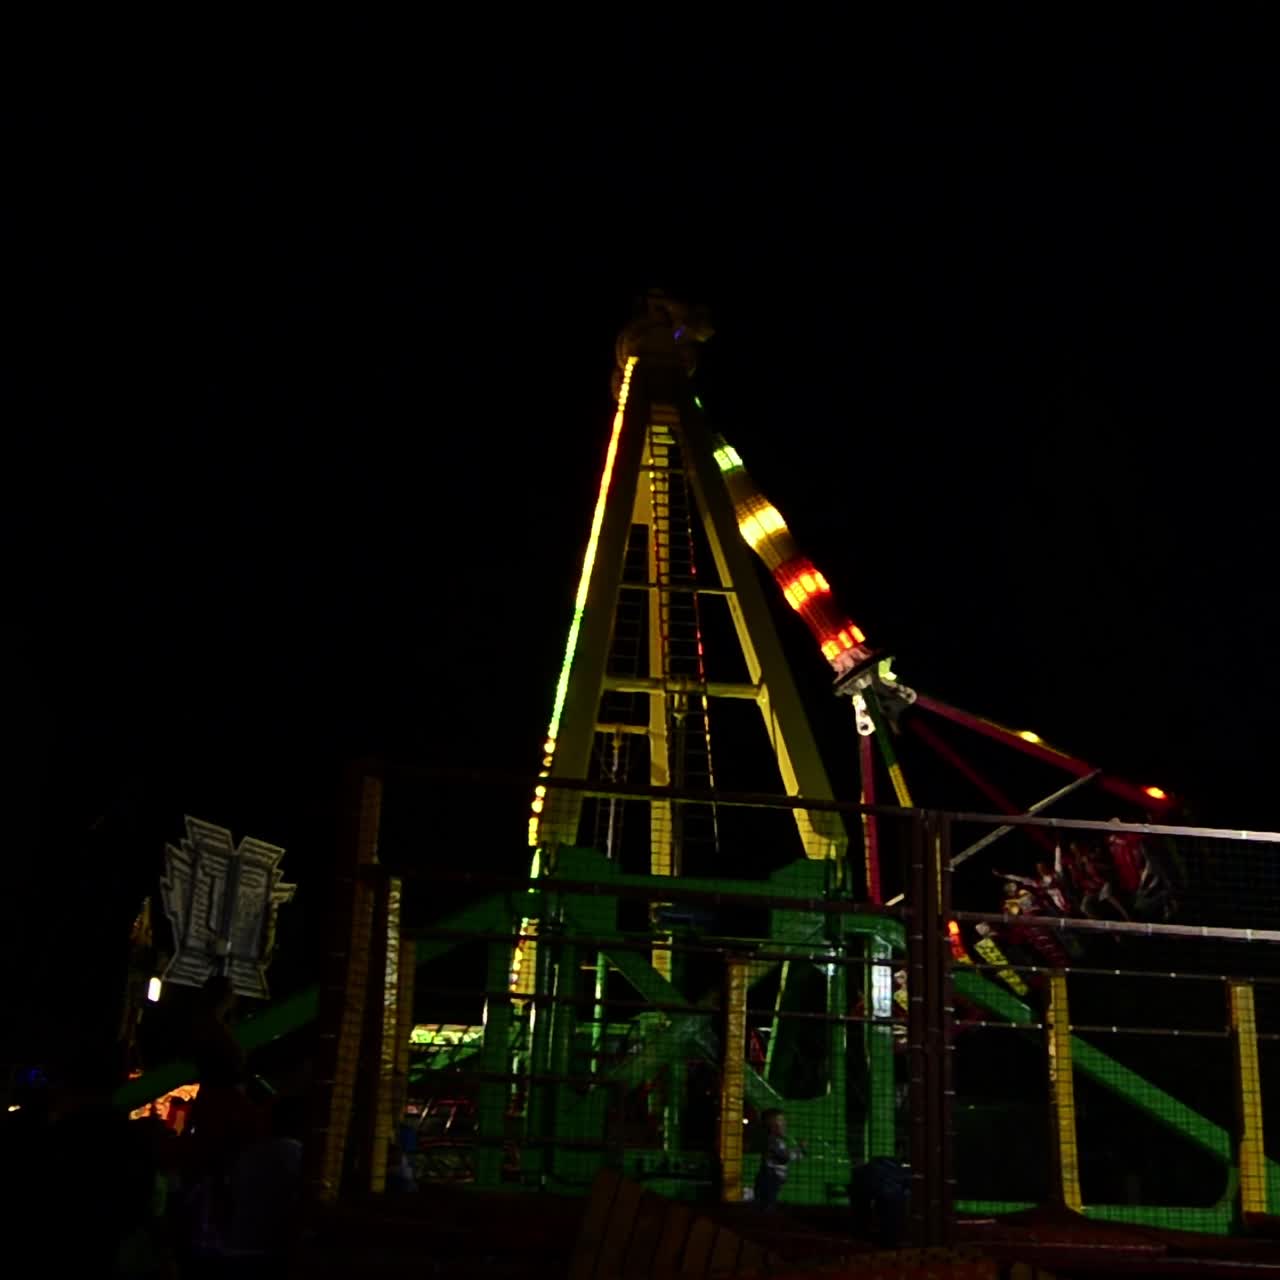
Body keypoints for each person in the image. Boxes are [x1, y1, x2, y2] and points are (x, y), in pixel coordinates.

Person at [754, 1108, 805, 1211]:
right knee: (767, 1205)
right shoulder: (772, 1141)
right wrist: (799, 1150)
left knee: (768, 1204)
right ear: (772, 1126)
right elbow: (784, 1156)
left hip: (772, 1178)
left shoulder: (778, 1141)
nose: (784, 1124)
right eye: (780, 1121)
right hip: (769, 1178)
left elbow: (786, 1155)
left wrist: (799, 1152)